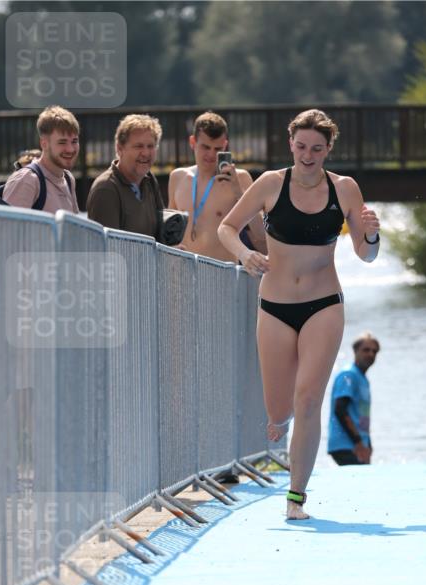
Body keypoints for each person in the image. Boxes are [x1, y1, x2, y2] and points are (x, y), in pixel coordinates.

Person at [218, 108, 380, 520]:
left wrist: (373, 233)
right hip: (274, 307)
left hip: (324, 304)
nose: (308, 155)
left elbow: (366, 253)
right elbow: (227, 228)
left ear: (328, 150)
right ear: (291, 143)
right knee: (279, 410)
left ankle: (295, 498)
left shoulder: (344, 189)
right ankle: (280, 420)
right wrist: (245, 254)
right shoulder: (271, 183)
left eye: (317, 149)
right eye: (302, 146)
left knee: (308, 399)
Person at [168, 111, 266, 261]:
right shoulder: (177, 177)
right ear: (192, 142)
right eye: (205, 147)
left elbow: (261, 236)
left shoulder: (240, 178)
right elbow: (169, 231)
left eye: (217, 149)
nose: (211, 155)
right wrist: (170, 247)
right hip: (184, 274)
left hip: (222, 276)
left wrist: (239, 192)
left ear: (225, 145)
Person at [86, 114, 164, 237]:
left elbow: (161, 233)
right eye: (138, 146)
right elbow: (108, 249)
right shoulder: (106, 189)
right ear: (119, 148)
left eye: (150, 146)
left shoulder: (149, 181)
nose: (145, 153)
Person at [1, 106, 79, 214]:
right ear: (44, 144)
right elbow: (9, 228)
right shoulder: (27, 180)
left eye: (74, 141)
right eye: (62, 142)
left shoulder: (68, 179)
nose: (70, 149)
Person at [327, 334, 380, 465]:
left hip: (359, 444)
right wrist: (358, 442)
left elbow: (361, 415)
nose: (371, 354)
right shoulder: (349, 375)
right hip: (347, 445)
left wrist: (368, 444)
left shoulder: (362, 378)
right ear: (355, 351)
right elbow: (340, 409)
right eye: (366, 350)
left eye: (374, 351)